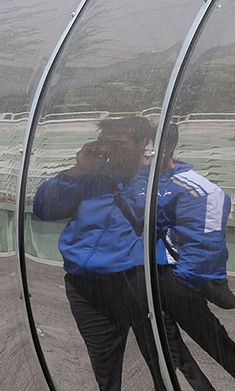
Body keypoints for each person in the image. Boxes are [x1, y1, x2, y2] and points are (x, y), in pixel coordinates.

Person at [33, 116, 211, 390]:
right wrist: (78, 170)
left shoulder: (155, 180)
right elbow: (45, 208)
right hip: (85, 285)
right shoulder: (90, 178)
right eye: (108, 144)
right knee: (106, 370)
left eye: (120, 144)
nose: (112, 151)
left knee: (167, 363)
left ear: (142, 143)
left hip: (136, 283)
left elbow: (184, 219)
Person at [129, 124, 235, 390]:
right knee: (171, 351)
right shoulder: (136, 179)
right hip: (144, 279)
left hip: (176, 280)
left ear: (166, 147)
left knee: (218, 345)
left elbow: (208, 241)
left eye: (147, 147)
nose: (142, 155)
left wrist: (184, 280)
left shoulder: (198, 187)